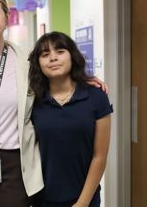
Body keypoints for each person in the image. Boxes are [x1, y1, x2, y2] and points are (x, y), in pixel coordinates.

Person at [0, 0, 107, 207]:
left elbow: (57, 78)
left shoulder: (27, 62)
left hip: (15, 161)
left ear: (7, 17)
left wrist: (86, 81)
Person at [28, 31, 113, 207]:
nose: (53, 58)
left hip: (85, 197)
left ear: (72, 56)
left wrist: (82, 203)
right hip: (42, 199)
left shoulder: (96, 97)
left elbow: (100, 156)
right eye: (45, 54)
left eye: (60, 51)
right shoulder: (32, 101)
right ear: (38, 63)